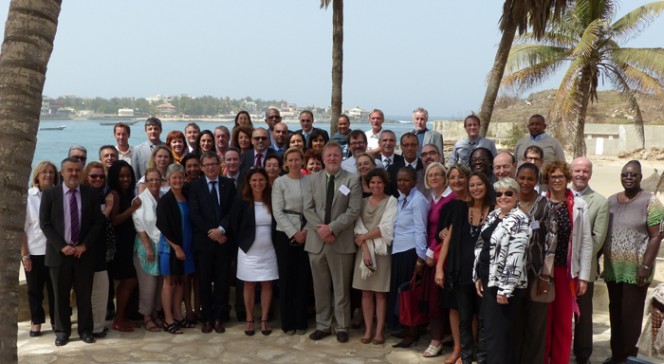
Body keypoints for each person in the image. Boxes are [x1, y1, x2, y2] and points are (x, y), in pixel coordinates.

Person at [603, 160, 664, 364]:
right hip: (613, 270)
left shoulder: (651, 201)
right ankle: (616, 355)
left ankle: (628, 357)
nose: (628, 178)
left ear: (640, 177)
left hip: (637, 270)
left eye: (633, 174)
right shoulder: (611, 201)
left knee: (631, 317)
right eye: (625, 174)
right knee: (616, 314)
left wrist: (645, 267)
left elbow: (656, 236)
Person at [40, 157, 104, 346]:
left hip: (83, 254)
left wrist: (85, 245)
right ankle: (62, 332)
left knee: (84, 295)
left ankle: (85, 330)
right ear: (62, 173)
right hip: (59, 255)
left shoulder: (90, 193)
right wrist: (62, 246)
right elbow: (45, 224)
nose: (74, 173)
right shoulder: (50, 194)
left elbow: (97, 223)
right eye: (70, 170)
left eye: (77, 170)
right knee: (60, 297)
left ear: (82, 172)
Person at [303, 142, 362, 343]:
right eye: (329, 155)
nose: (332, 158)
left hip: (340, 241)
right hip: (317, 242)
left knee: (341, 287)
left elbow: (354, 210)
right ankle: (323, 324)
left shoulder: (352, 179)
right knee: (320, 287)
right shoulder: (311, 180)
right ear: (323, 158)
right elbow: (307, 209)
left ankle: (342, 326)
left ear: (341, 157)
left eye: (336, 155)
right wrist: (323, 230)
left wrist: (332, 228)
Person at [436, 171, 492, 364]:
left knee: (484, 320)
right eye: (473, 185)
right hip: (461, 274)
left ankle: (482, 358)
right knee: (464, 319)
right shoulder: (460, 208)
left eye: (480, 185)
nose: (476, 189)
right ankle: (466, 358)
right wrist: (439, 269)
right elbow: (448, 239)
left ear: (486, 186)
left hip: (484, 276)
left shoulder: (494, 210)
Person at [472, 177, 531, 364]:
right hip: (488, 280)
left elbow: (516, 256)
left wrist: (505, 288)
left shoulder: (520, 219)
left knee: (499, 334)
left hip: (503, 286)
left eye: (508, 193)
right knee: (490, 331)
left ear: (517, 195)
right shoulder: (493, 215)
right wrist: (477, 275)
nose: (503, 197)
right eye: (499, 193)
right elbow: (482, 245)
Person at [541, 160, 592, 364]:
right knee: (544, 321)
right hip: (544, 272)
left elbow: (586, 243)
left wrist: (584, 277)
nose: (557, 180)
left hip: (566, 271)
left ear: (567, 178)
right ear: (547, 179)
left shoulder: (579, 205)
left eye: (561, 176)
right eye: (553, 177)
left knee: (563, 322)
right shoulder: (541, 203)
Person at [510, 163, 555, 364]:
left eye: (530, 178)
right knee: (515, 324)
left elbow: (551, 242)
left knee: (536, 326)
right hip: (511, 275)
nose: (525, 182)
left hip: (536, 274)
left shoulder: (546, 206)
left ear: (536, 181)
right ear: (516, 178)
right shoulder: (509, 202)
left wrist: (546, 274)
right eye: (522, 178)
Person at [188, 152, 236, 334]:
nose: (210, 167)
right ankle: (206, 317)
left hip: (224, 242)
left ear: (219, 165)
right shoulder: (194, 187)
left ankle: (219, 317)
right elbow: (195, 215)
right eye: (206, 165)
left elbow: (232, 211)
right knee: (204, 282)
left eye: (213, 164)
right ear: (201, 167)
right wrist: (214, 233)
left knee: (222, 282)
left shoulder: (229, 184)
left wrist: (222, 230)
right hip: (204, 243)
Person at [570, 157, 610, 364]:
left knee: (583, 316)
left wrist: (575, 259)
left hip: (584, 269)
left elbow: (597, 239)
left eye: (585, 171)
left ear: (590, 174)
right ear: (571, 172)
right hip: (559, 268)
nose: (580, 175)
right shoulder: (558, 194)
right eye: (577, 170)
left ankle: (582, 355)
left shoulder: (600, 202)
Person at [352, 168, 398, 345]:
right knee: (366, 293)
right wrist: (364, 248)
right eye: (372, 182)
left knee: (380, 294)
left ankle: (379, 332)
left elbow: (386, 227)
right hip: (364, 253)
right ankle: (368, 330)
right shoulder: (362, 202)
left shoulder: (391, 202)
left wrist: (363, 237)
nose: (376, 185)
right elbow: (358, 227)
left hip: (381, 252)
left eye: (379, 182)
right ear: (367, 184)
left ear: (385, 184)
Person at [232, 168, 278, 336]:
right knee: (249, 284)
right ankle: (250, 318)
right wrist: (242, 242)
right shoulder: (242, 201)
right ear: (249, 183)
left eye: (261, 180)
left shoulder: (272, 200)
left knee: (267, 284)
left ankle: (264, 319)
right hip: (248, 251)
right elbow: (234, 225)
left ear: (266, 182)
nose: (258, 183)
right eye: (254, 180)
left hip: (269, 250)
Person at [272, 147, 312, 335]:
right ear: (285, 163)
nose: (294, 163)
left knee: (302, 279)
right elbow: (278, 211)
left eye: (298, 159)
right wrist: (293, 233)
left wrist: (304, 231)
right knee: (287, 279)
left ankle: (301, 321)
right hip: (285, 235)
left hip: (306, 233)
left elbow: (314, 209)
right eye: (291, 160)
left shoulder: (310, 181)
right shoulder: (280, 182)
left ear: (303, 161)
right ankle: (287, 322)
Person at [388, 167, 429, 336]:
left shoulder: (418, 200)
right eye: (399, 180)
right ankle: (401, 326)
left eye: (406, 180)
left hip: (410, 251)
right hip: (398, 250)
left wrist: (420, 258)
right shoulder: (401, 199)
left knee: (407, 293)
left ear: (414, 181)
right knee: (399, 291)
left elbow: (421, 229)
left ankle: (410, 330)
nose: (402, 183)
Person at [421, 162, 455, 358]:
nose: (434, 177)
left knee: (437, 299)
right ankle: (442, 335)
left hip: (441, 255)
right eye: (430, 175)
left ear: (445, 177)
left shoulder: (450, 198)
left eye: (438, 174)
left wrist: (431, 251)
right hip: (432, 252)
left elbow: (445, 232)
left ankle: (436, 341)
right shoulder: (432, 198)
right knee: (436, 299)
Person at [23, 161, 58, 337]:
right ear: (37, 175)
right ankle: (36, 321)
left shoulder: (58, 195)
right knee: (35, 290)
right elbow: (22, 229)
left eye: (51, 172)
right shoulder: (29, 197)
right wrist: (25, 256)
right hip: (35, 251)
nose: (48, 175)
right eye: (44, 172)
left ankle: (56, 320)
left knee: (56, 290)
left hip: (55, 251)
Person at [156, 164, 192, 334]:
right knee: (169, 283)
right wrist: (177, 248)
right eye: (174, 178)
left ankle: (178, 315)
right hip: (170, 249)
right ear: (168, 180)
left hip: (186, 247)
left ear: (184, 179)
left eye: (180, 177)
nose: (177, 180)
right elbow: (163, 226)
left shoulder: (186, 197)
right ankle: (168, 319)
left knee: (180, 282)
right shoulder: (165, 201)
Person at [106, 160, 141, 332]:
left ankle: (123, 317)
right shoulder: (115, 193)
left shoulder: (127, 192)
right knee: (128, 281)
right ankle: (119, 319)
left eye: (128, 175)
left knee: (129, 281)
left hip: (128, 244)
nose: (125, 179)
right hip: (119, 246)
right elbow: (114, 220)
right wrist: (132, 209)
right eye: (121, 176)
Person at [131, 167, 164, 332]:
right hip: (146, 246)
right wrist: (148, 247)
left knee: (160, 284)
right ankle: (147, 316)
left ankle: (156, 313)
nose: (154, 182)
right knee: (148, 284)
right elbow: (138, 224)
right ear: (146, 181)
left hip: (161, 245)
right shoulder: (140, 200)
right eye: (151, 179)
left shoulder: (163, 197)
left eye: (157, 179)